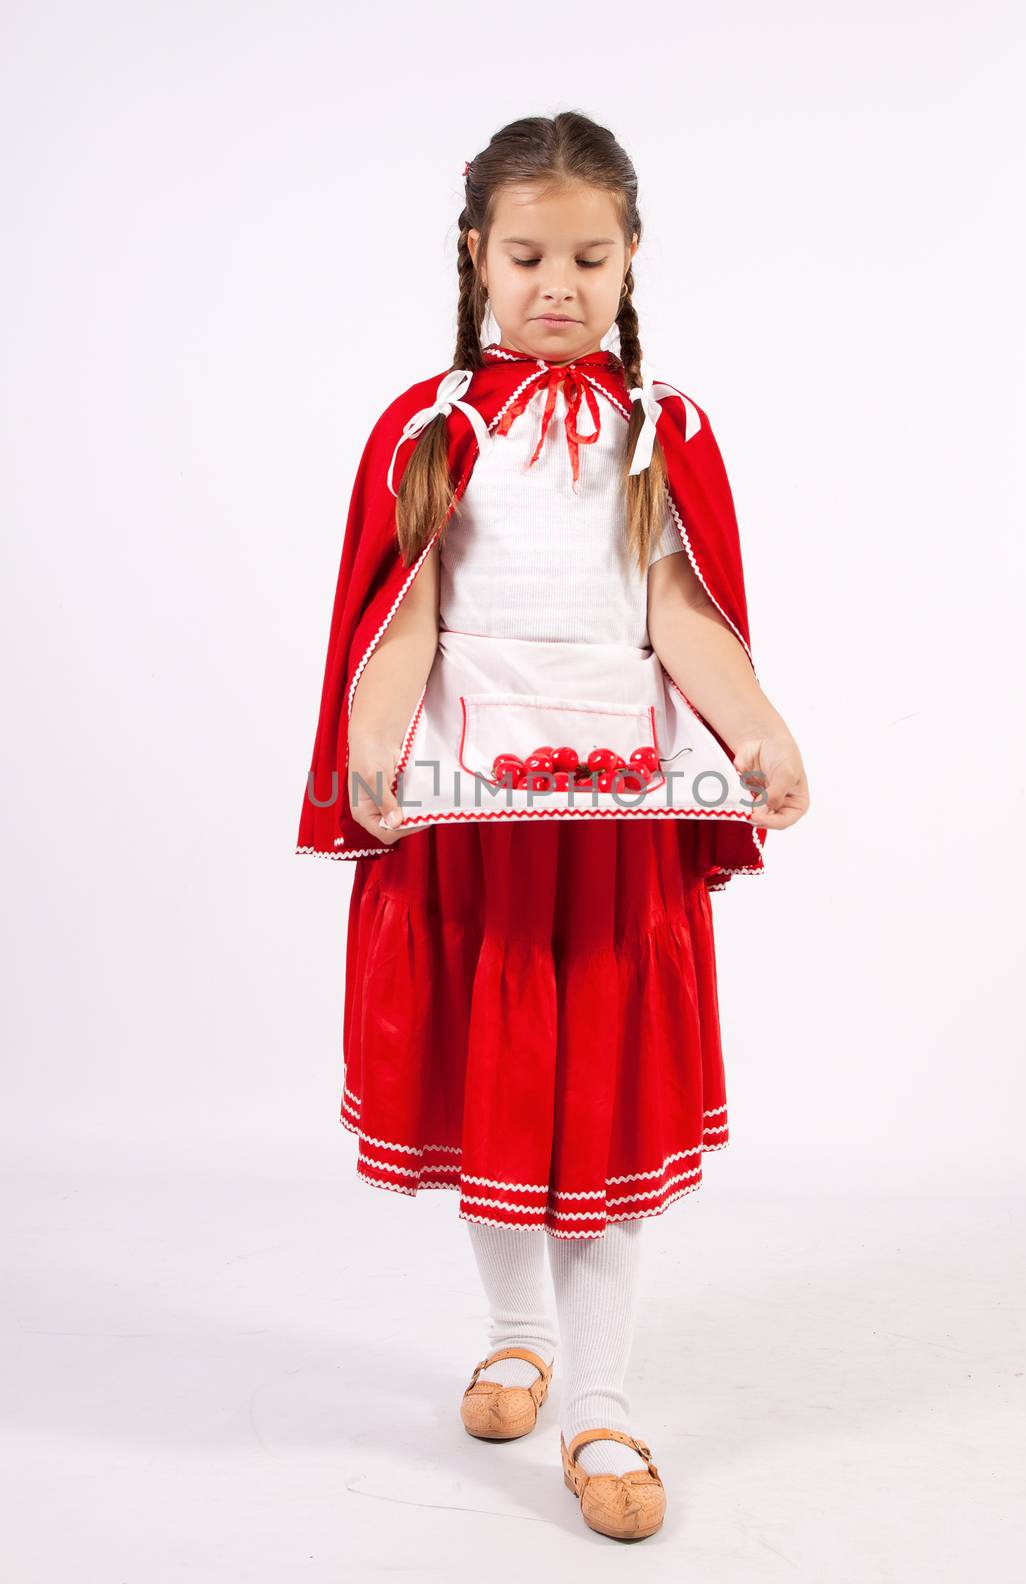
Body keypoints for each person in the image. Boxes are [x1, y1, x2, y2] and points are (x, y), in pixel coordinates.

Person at [297, 111, 810, 1542]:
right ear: (475, 256)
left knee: (602, 1111)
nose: (558, 285)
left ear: (633, 257)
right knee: (501, 1093)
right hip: (477, 829)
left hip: (610, 839)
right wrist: (365, 749)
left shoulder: (664, 432)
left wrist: (761, 728)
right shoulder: (429, 429)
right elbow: (397, 622)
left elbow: (684, 617)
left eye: (590, 256)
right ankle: (513, 1336)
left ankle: (601, 1404)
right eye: (526, 255)